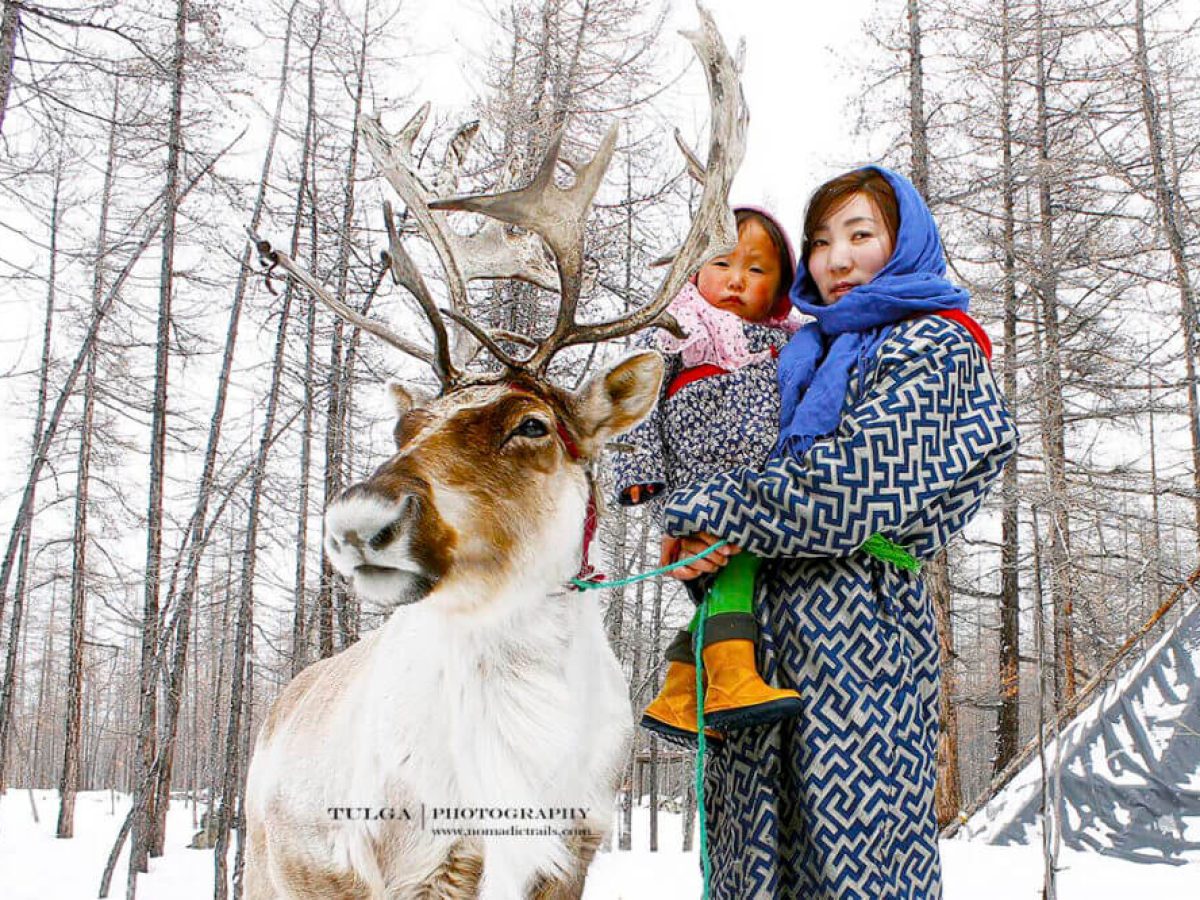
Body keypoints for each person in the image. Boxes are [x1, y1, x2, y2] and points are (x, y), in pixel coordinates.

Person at [661, 167, 1018, 899]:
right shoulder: (796, 354)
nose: (837, 259)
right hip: (759, 635)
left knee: (858, 865)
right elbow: (721, 466)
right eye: (821, 242)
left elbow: (850, 490)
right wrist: (696, 544)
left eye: (861, 235)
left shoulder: (939, 347)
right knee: (752, 861)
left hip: (863, 634)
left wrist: (706, 508)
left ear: (905, 240)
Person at [613, 207, 805, 744]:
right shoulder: (675, 331)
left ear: (780, 289)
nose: (737, 279)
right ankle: (730, 680)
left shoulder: (785, 345)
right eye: (722, 262)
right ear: (693, 269)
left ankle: (681, 692)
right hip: (700, 484)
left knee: (729, 579)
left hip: (757, 484)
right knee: (735, 569)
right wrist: (641, 478)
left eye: (758, 270)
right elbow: (637, 404)